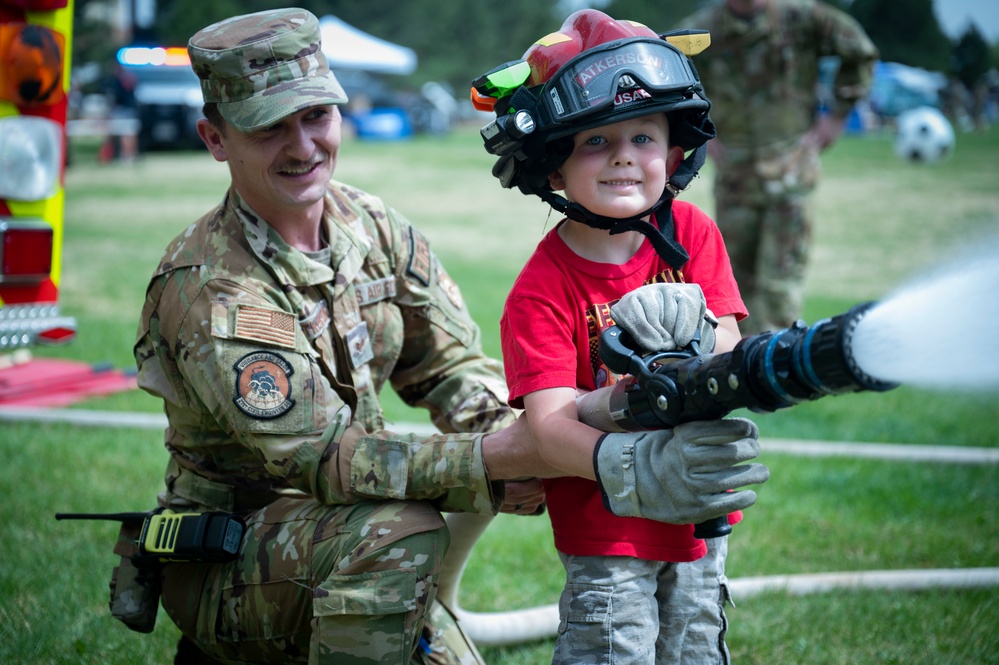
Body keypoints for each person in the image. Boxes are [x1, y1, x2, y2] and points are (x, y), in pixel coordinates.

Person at [132, 8, 767, 663]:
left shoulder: (371, 227)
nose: (302, 147)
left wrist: (525, 429)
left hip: (346, 534)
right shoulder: (213, 288)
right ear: (214, 138)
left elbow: (450, 366)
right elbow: (325, 460)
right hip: (234, 555)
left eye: (315, 116)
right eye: (269, 127)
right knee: (397, 531)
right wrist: (502, 456)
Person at [473, 9, 770, 663]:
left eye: (642, 137)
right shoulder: (540, 289)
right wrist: (636, 466)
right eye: (595, 143)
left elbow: (723, 345)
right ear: (551, 165)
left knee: (695, 639)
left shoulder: (691, 233)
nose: (624, 159)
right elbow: (548, 429)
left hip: (699, 508)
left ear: (674, 148)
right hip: (606, 525)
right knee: (612, 644)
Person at [676, 0, 878, 335]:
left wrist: (838, 116)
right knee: (729, 286)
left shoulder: (802, 18)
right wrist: (701, 132)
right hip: (736, 177)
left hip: (791, 172)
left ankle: (773, 373)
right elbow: (669, 75)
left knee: (779, 288)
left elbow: (859, 48)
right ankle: (737, 371)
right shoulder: (702, 30)